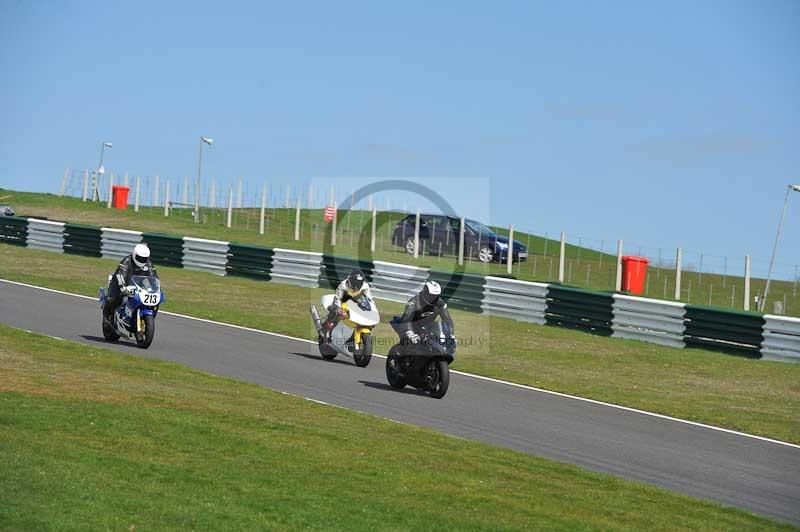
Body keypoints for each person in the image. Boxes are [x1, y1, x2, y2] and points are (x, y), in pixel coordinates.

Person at [103, 243, 159, 322]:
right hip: (123, 283)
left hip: (138, 285)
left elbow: (154, 276)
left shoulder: (148, 263)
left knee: (154, 302)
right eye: (139, 257)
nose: (142, 260)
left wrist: (155, 288)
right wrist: (123, 287)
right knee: (114, 298)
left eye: (144, 258)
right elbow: (121, 274)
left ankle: (146, 317)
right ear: (134, 254)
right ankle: (107, 316)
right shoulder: (127, 261)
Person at [394, 280, 455, 349]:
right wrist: (410, 333)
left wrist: (451, 335)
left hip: (426, 327)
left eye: (435, 296)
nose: (433, 299)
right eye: (431, 296)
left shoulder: (440, 303)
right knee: (411, 344)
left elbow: (447, 320)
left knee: (435, 343)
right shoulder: (414, 302)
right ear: (425, 293)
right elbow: (407, 319)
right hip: (409, 326)